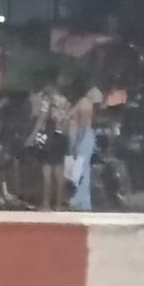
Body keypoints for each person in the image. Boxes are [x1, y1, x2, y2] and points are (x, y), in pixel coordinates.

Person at [25, 73, 71, 210]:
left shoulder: (48, 100)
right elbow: (67, 121)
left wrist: (32, 137)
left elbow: (42, 119)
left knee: (47, 171)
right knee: (59, 172)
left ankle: (46, 203)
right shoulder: (65, 101)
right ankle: (58, 204)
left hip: (49, 136)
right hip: (62, 137)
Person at [64, 75, 101, 211]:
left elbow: (83, 126)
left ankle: (82, 200)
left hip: (82, 137)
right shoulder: (79, 102)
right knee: (77, 169)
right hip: (77, 136)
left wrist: (76, 143)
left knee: (82, 168)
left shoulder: (85, 103)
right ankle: (78, 198)